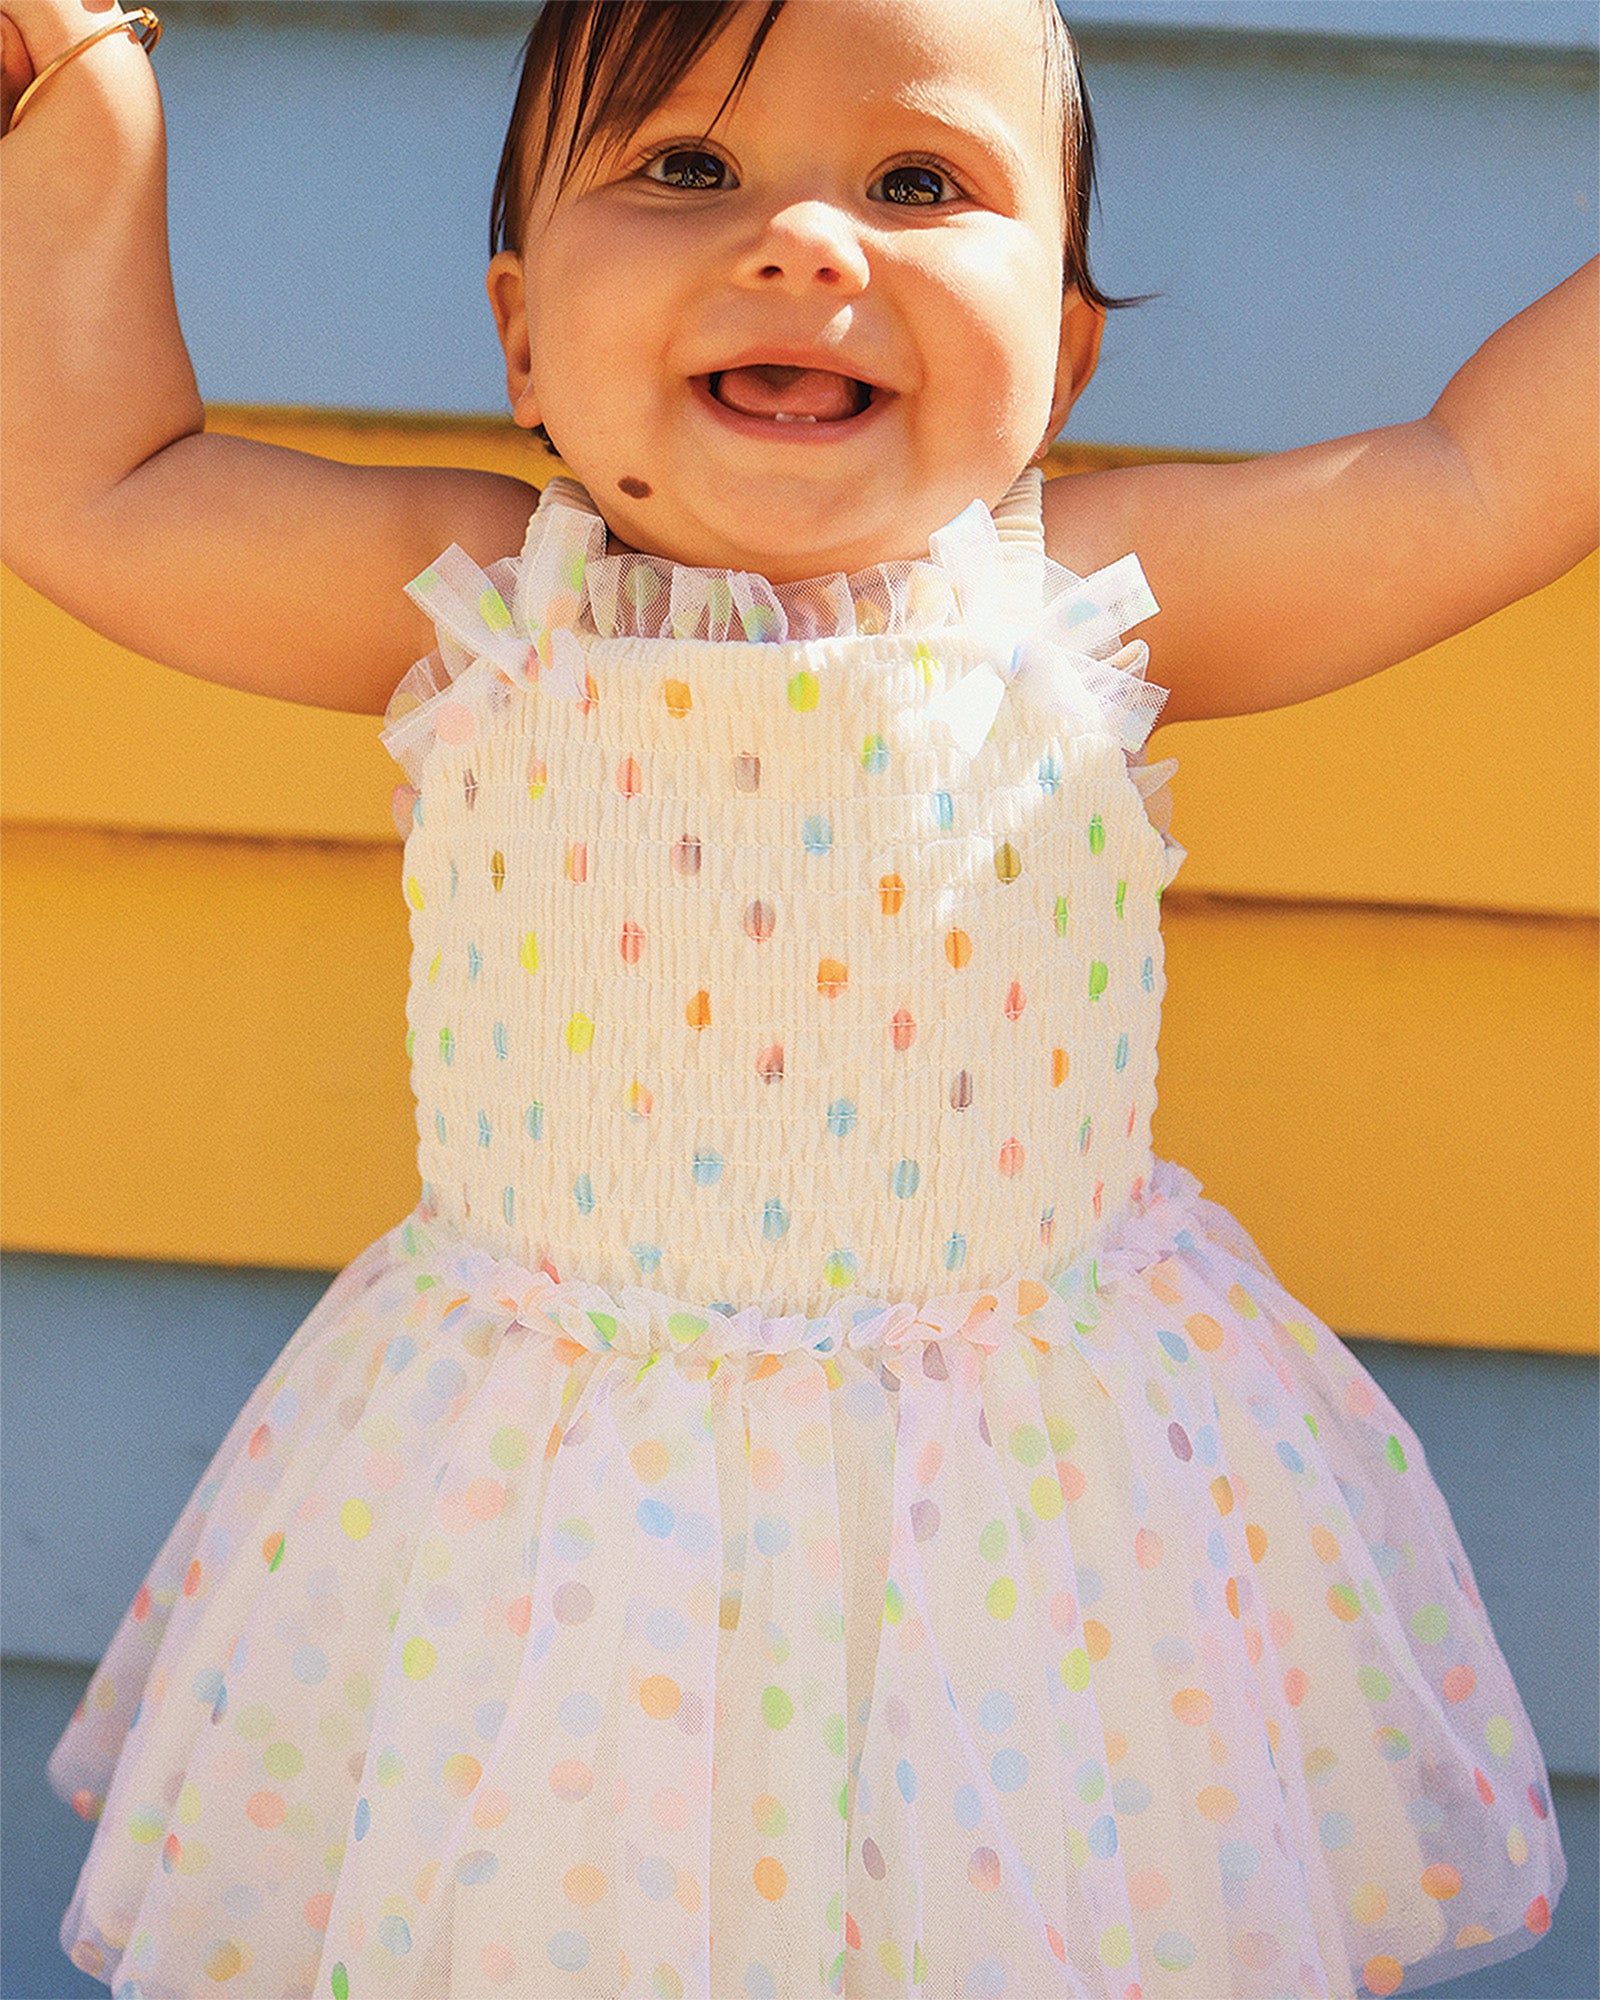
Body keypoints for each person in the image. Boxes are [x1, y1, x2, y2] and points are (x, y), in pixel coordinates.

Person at [3, 0, 1593, 1994]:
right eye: (683, 169)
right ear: (516, 335)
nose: (803, 243)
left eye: (919, 182)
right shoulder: (480, 609)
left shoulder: (1080, 615)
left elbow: (1475, 481)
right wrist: (88, 99)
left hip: (1021, 1527)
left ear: (1067, 354)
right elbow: (99, 485)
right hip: (567, 1532)